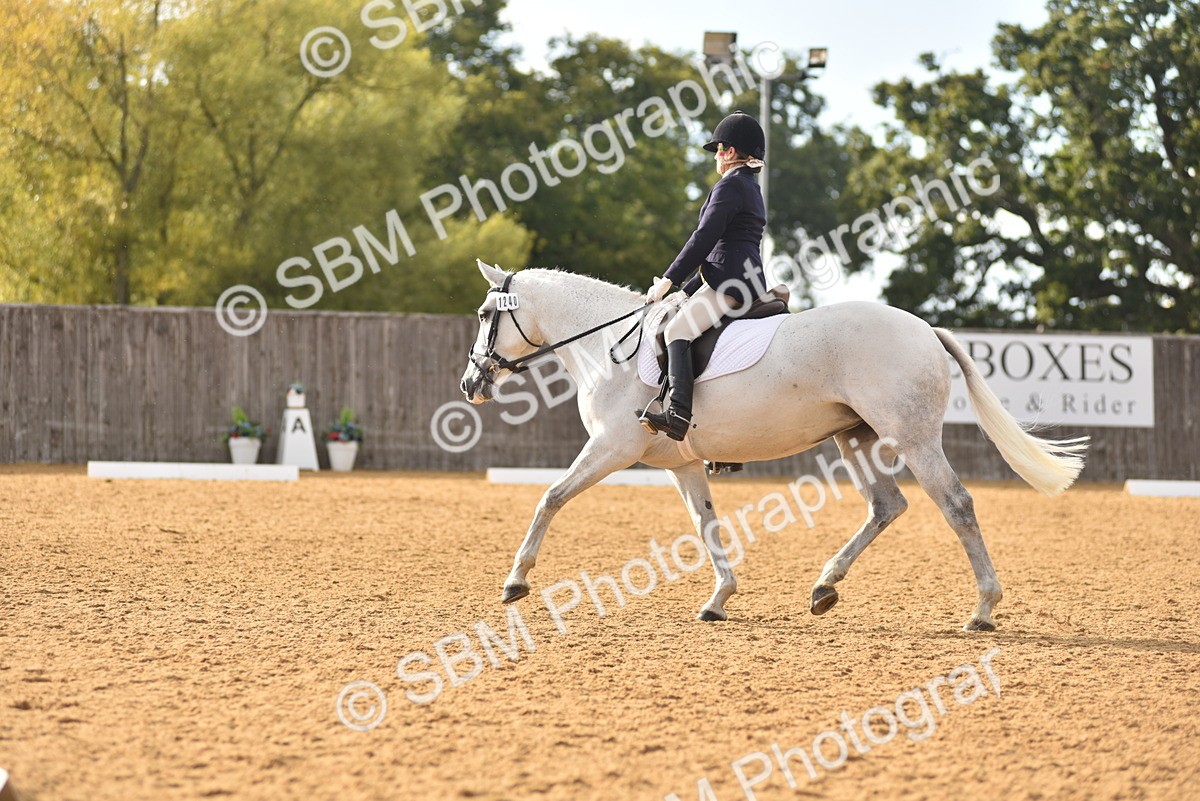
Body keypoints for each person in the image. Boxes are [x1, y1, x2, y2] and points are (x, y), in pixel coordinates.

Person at [636, 110, 768, 441]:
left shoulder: (730, 186)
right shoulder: (750, 187)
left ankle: (678, 414)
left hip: (731, 282)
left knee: (676, 332)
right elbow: (724, 249)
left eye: (720, 148)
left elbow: (704, 239)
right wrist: (688, 289)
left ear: (733, 152)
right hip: (740, 276)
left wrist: (670, 279)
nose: (717, 156)